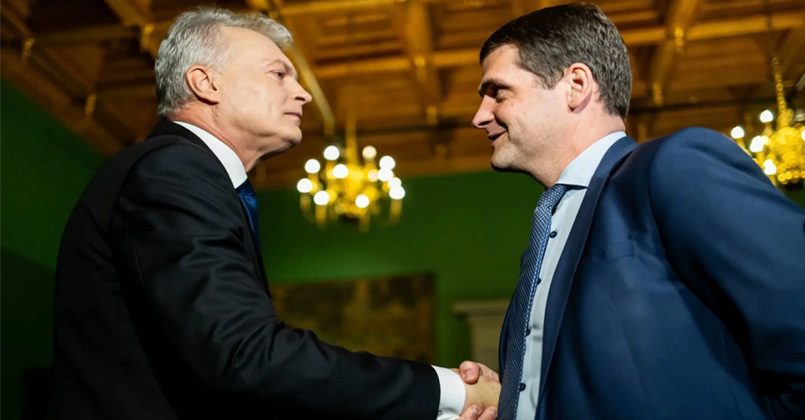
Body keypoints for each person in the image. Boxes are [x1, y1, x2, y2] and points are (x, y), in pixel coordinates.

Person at [51, 8, 499, 419]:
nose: (303, 94)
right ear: (206, 83)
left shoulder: (190, 175)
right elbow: (244, 356)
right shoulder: (174, 169)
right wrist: (451, 391)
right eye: (279, 73)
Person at [463, 3, 805, 419]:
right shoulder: (544, 236)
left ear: (575, 85)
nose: (479, 117)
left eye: (497, 92)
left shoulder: (674, 167)